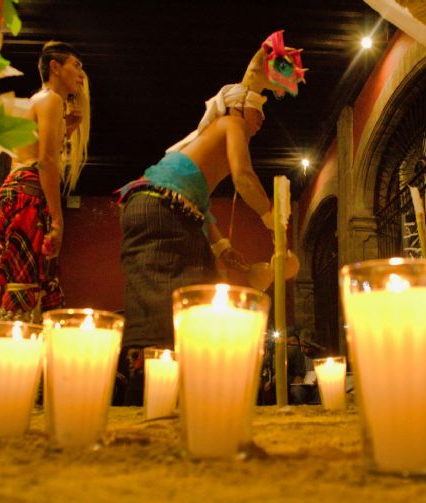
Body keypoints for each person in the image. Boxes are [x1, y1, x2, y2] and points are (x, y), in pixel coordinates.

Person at [116, 31, 305, 404]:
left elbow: (198, 205)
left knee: (196, 297)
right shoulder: (231, 124)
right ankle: (154, 395)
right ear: (239, 107)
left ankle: (169, 391)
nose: (261, 119)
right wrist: (272, 220)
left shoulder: (206, 148)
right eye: (258, 110)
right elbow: (244, 177)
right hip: (161, 210)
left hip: (164, 210)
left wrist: (220, 247)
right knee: (176, 312)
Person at [0, 41, 89, 322]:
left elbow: (33, 151)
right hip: (27, 197)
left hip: (14, 193)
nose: (81, 75)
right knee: (24, 293)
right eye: (76, 66)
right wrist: (58, 220)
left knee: (27, 286)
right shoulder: (51, 99)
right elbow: (46, 161)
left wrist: (67, 130)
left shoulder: (38, 101)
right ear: (55, 67)